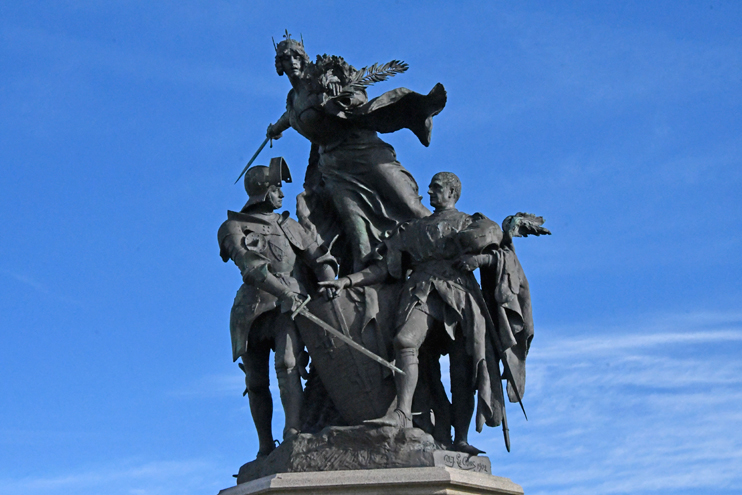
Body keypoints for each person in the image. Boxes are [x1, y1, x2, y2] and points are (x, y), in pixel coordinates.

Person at [320, 172, 512, 455]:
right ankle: (403, 413)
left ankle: (459, 437)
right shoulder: (412, 229)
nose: (430, 192)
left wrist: (478, 259)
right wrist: (345, 281)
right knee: (405, 341)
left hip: (460, 296)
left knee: (461, 370)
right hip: (421, 291)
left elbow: (499, 256)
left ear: (451, 192)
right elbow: (384, 269)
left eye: (436, 188)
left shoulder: (470, 223)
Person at [266, 33, 447, 272]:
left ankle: (449, 243)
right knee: (356, 231)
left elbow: (358, 96)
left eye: (296, 56)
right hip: (334, 167)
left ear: (303, 57)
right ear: (280, 64)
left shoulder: (323, 76)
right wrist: (274, 129)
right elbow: (291, 118)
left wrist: (341, 96)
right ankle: (364, 286)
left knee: (409, 205)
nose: (292, 62)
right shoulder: (293, 99)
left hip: (362, 149)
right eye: (285, 58)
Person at [218, 158, 336, 458]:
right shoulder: (233, 227)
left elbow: (319, 258)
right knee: (256, 381)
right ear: (263, 191)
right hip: (253, 308)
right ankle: (264, 445)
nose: (282, 194)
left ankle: (293, 431)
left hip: (292, 306)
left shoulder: (290, 226)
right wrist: (284, 292)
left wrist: (329, 285)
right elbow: (251, 267)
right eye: (276, 189)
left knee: (288, 364)